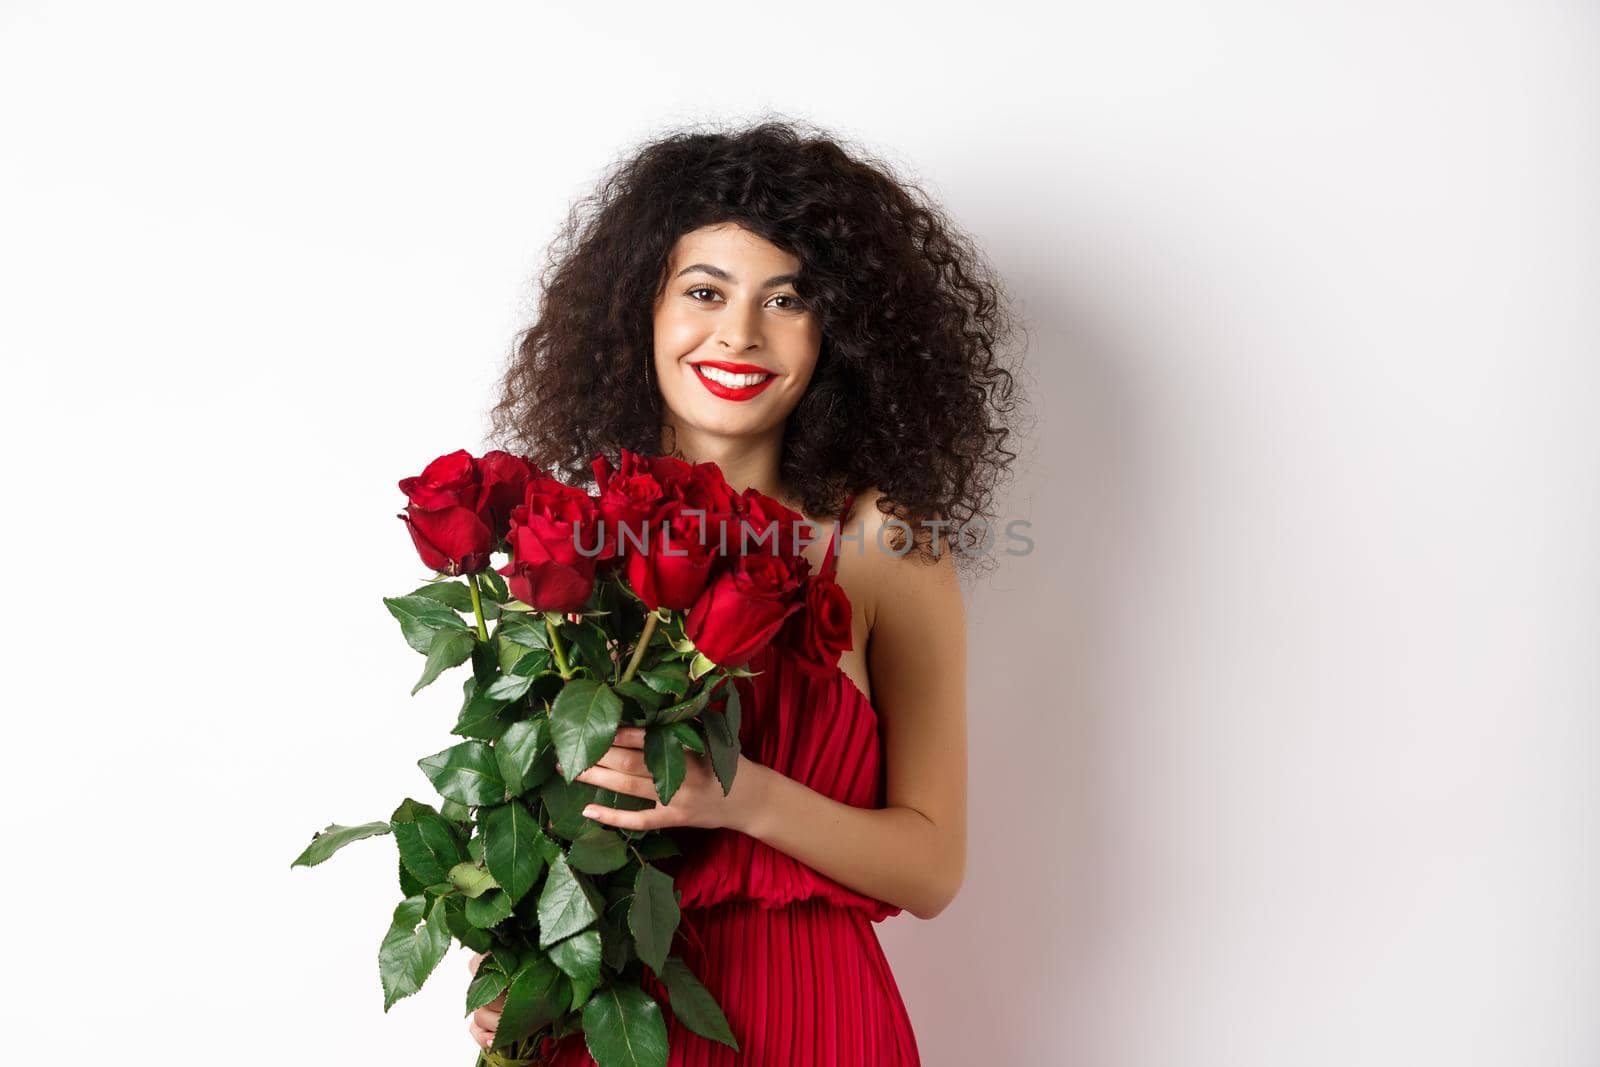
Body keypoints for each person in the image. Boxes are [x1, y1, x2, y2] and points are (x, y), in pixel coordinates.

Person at [467, 118, 1025, 1065]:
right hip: (599, 1021)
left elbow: (933, 868)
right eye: (704, 291)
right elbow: (527, 825)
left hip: (812, 1022)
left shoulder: (883, 545)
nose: (739, 333)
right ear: (639, 309)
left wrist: (739, 797)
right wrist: (501, 972)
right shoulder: (570, 538)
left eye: (787, 298)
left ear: (837, 332)